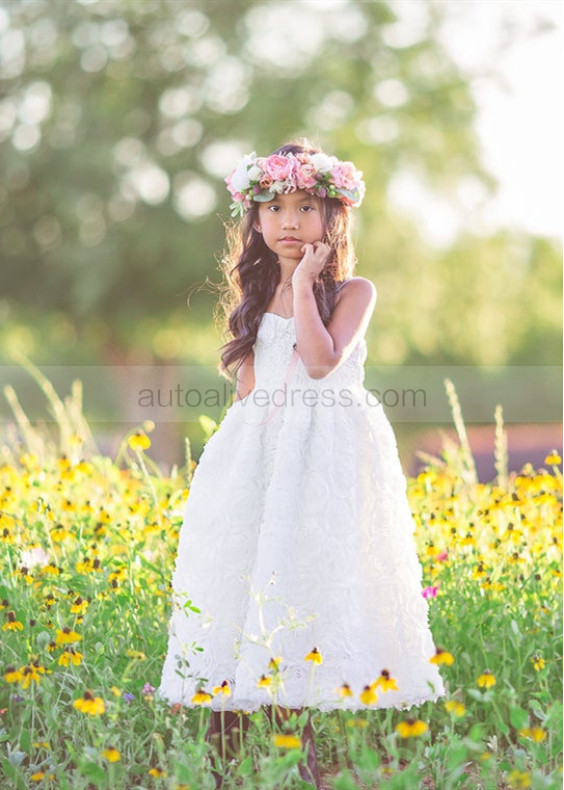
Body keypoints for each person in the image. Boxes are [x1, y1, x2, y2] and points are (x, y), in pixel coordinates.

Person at [157, 138, 446, 789]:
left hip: (327, 455)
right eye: (275, 207)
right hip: (263, 451)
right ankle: (228, 749)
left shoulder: (353, 291)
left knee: (310, 581)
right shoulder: (255, 295)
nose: (290, 221)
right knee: (249, 578)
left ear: (332, 216)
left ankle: (306, 745)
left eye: (306, 206)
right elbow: (250, 389)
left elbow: (320, 362)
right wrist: (227, 473)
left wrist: (306, 283)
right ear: (255, 220)